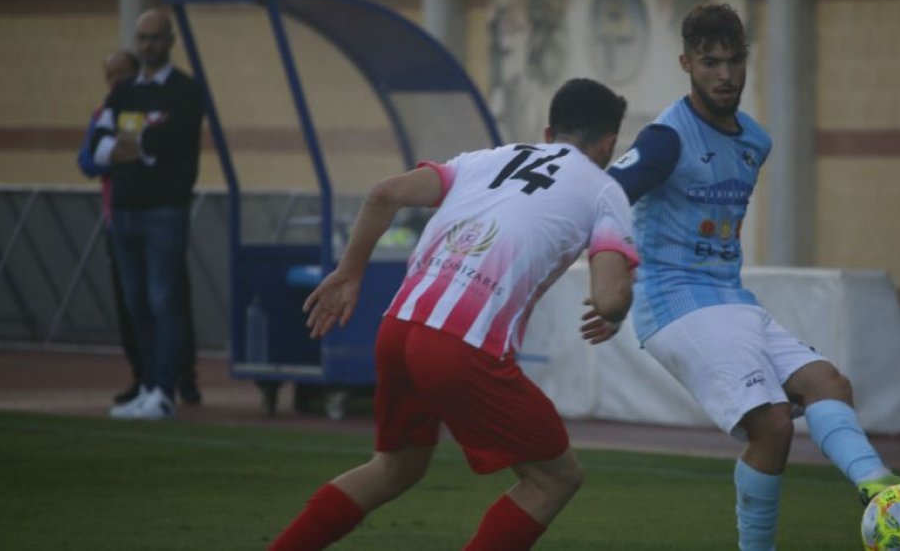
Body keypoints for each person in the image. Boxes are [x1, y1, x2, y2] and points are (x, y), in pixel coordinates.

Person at [607, 3, 900, 550]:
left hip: (731, 298)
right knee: (772, 423)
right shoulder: (665, 138)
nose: (725, 75)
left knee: (828, 384)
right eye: (709, 62)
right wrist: (603, 283)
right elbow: (606, 198)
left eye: (734, 61)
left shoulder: (755, 141)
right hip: (674, 301)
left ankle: (880, 488)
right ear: (686, 63)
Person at [269, 78, 638, 551]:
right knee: (554, 478)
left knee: (395, 467)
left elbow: (384, 193)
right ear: (609, 143)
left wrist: (349, 272)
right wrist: (616, 309)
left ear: (548, 132)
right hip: (461, 345)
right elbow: (609, 296)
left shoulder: (488, 159)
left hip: (399, 326)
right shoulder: (606, 191)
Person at [91, 8, 205, 420]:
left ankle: (164, 391)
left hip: (165, 211)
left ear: (169, 41)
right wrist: (140, 145)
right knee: (136, 301)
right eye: (142, 38)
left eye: (155, 37)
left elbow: (173, 140)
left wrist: (134, 143)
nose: (148, 45)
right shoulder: (123, 93)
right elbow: (99, 145)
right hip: (124, 210)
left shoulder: (185, 91)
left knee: (164, 301)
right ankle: (146, 384)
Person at [78, 49, 143, 403]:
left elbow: (146, 155)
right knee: (127, 302)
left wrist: (117, 153)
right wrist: (118, 154)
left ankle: (174, 375)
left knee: (161, 301)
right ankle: (140, 375)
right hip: (115, 220)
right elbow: (88, 160)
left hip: (149, 216)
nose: (115, 83)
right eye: (110, 77)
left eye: (122, 75)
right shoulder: (103, 114)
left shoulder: (145, 109)